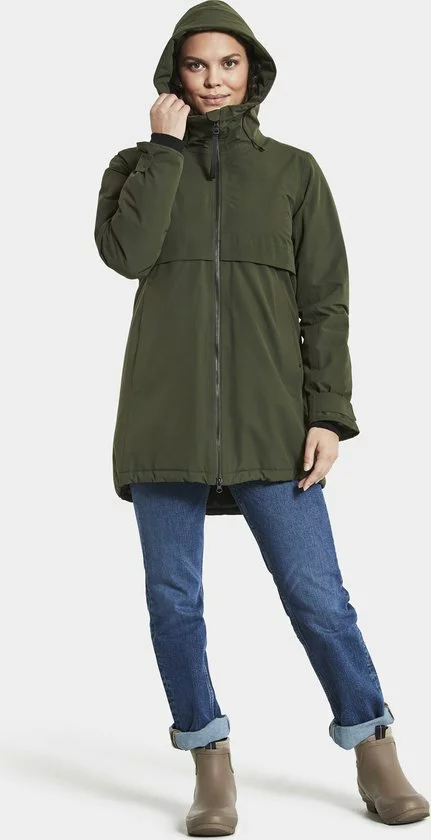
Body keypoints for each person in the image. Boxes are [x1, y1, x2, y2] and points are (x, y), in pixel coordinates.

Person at [94, 0, 429, 832]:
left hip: (274, 422)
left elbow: (326, 302)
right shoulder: (135, 166)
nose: (212, 80)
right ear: (173, 74)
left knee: (317, 595)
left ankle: (372, 743)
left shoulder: (293, 172)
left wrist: (328, 414)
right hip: (164, 423)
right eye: (196, 65)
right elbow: (127, 256)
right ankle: (208, 759)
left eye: (228, 64)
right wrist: (164, 152)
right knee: (174, 601)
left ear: (252, 72)